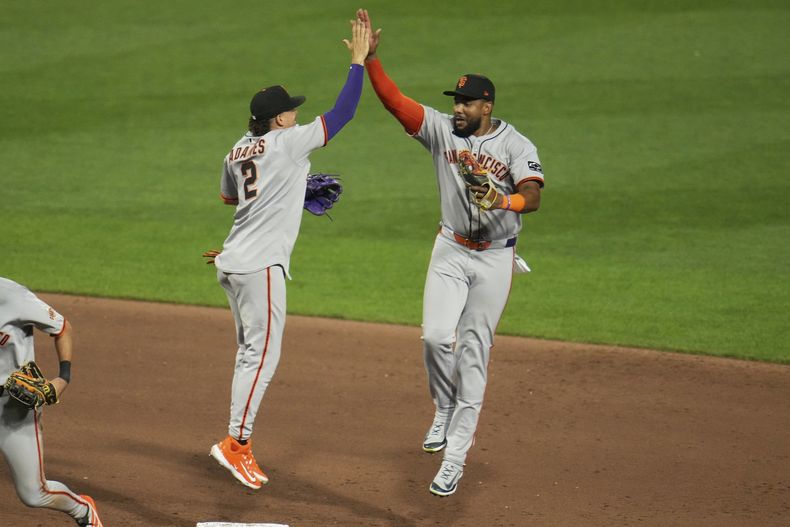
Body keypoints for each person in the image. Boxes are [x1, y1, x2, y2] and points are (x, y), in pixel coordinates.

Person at [357, 9, 545, 497]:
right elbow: (395, 102)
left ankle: (455, 460)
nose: (457, 108)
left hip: (495, 259)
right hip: (450, 249)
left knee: (474, 356)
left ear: (487, 105)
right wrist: (372, 60)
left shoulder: (516, 144)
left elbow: (533, 196)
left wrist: (503, 200)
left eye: (466, 102)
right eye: (455, 101)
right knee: (437, 338)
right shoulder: (440, 130)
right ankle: (444, 406)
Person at [204, 17, 370, 490]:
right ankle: (236, 444)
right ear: (278, 119)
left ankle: (237, 440)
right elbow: (343, 114)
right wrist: (358, 63)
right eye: (291, 111)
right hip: (259, 267)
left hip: (231, 262)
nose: (297, 115)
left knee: (248, 354)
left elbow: (232, 199)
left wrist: (289, 189)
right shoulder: (290, 142)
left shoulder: (236, 150)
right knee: (261, 358)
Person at [0, 277, 103, 526]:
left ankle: (83, 511)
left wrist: (63, 378)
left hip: (12, 405)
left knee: (35, 493)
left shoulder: (12, 296)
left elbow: (62, 328)